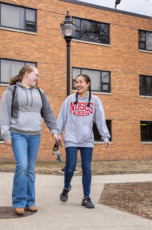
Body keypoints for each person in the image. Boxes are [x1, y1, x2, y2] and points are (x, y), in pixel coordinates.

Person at [0, 65, 58, 215]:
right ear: (26, 74)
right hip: (17, 133)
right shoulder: (11, 91)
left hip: (35, 135)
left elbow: (48, 112)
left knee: (31, 170)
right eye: (36, 75)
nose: (38, 79)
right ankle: (19, 202)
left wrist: (54, 130)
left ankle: (30, 201)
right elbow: (4, 113)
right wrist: (5, 134)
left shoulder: (40, 92)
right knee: (22, 166)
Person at [56, 74, 110, 208]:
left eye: (81, 82)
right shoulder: (69, 100)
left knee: (87, 168)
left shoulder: (95, 101)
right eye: (76, 82)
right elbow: (62, 117)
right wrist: (57, 132)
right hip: (71, 138)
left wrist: (105, 136)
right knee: (70, 167)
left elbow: (100, 119)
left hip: (87, 139)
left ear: (88, 84)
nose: (78, 84)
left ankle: (86, 198)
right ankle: (67, 187)